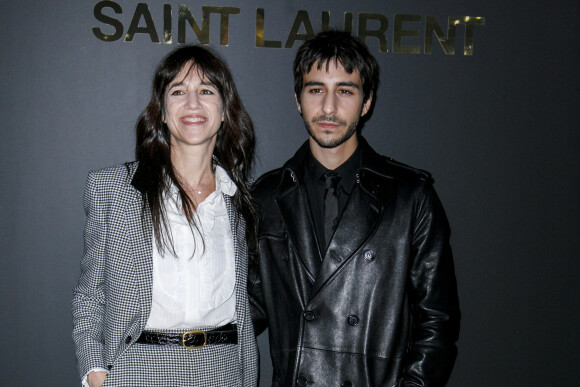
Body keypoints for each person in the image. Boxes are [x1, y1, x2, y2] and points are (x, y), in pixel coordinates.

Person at [249, 30, 460, 386]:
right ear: (298, 99)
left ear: (366, 102)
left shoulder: (410, 197)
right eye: (316, 89)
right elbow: (245, 311)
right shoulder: (266, 196)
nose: (328, 107)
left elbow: (437, 321)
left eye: (344, 91)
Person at [72, 45, 258, 386]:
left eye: (206, 91)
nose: (192, 103)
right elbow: (90, 295)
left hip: (223, 370)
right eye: (178, 91)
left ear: (224, 111)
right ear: (161, 111)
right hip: (138, 370)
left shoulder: (239, 202)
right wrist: (94, 371)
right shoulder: (113, 190)